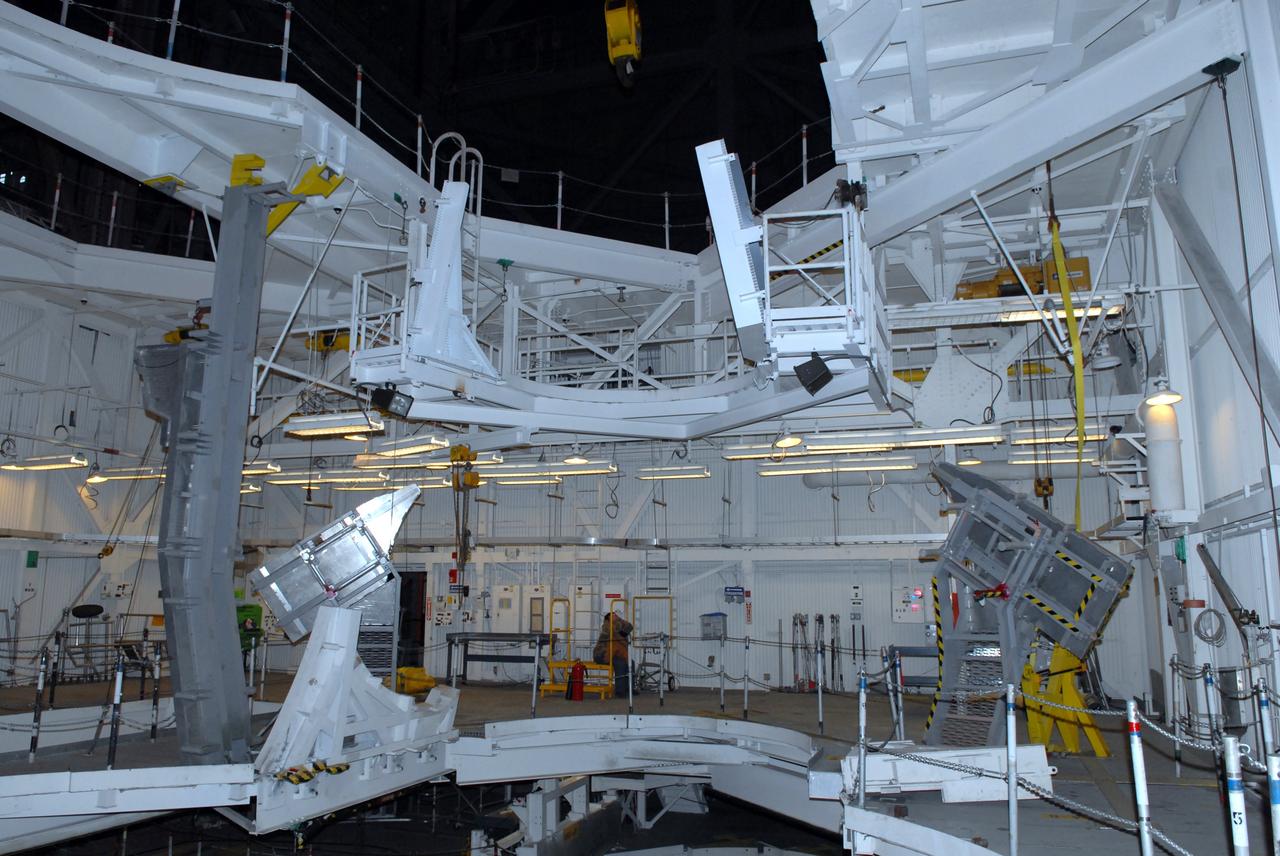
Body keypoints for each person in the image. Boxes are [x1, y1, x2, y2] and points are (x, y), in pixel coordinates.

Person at [593, 612, 632, 696]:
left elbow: (629, 627)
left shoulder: (618, 626)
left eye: (616, 615)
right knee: (621, 664)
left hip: (614, 654)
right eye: (613, 615)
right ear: (608, 619)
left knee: (630, 662)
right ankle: (620, 691)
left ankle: (629, 688)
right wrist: (618, 622)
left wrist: (620, 619)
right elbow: (613, 632)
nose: (615, 616)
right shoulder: (606, 626)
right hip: (602, 654)